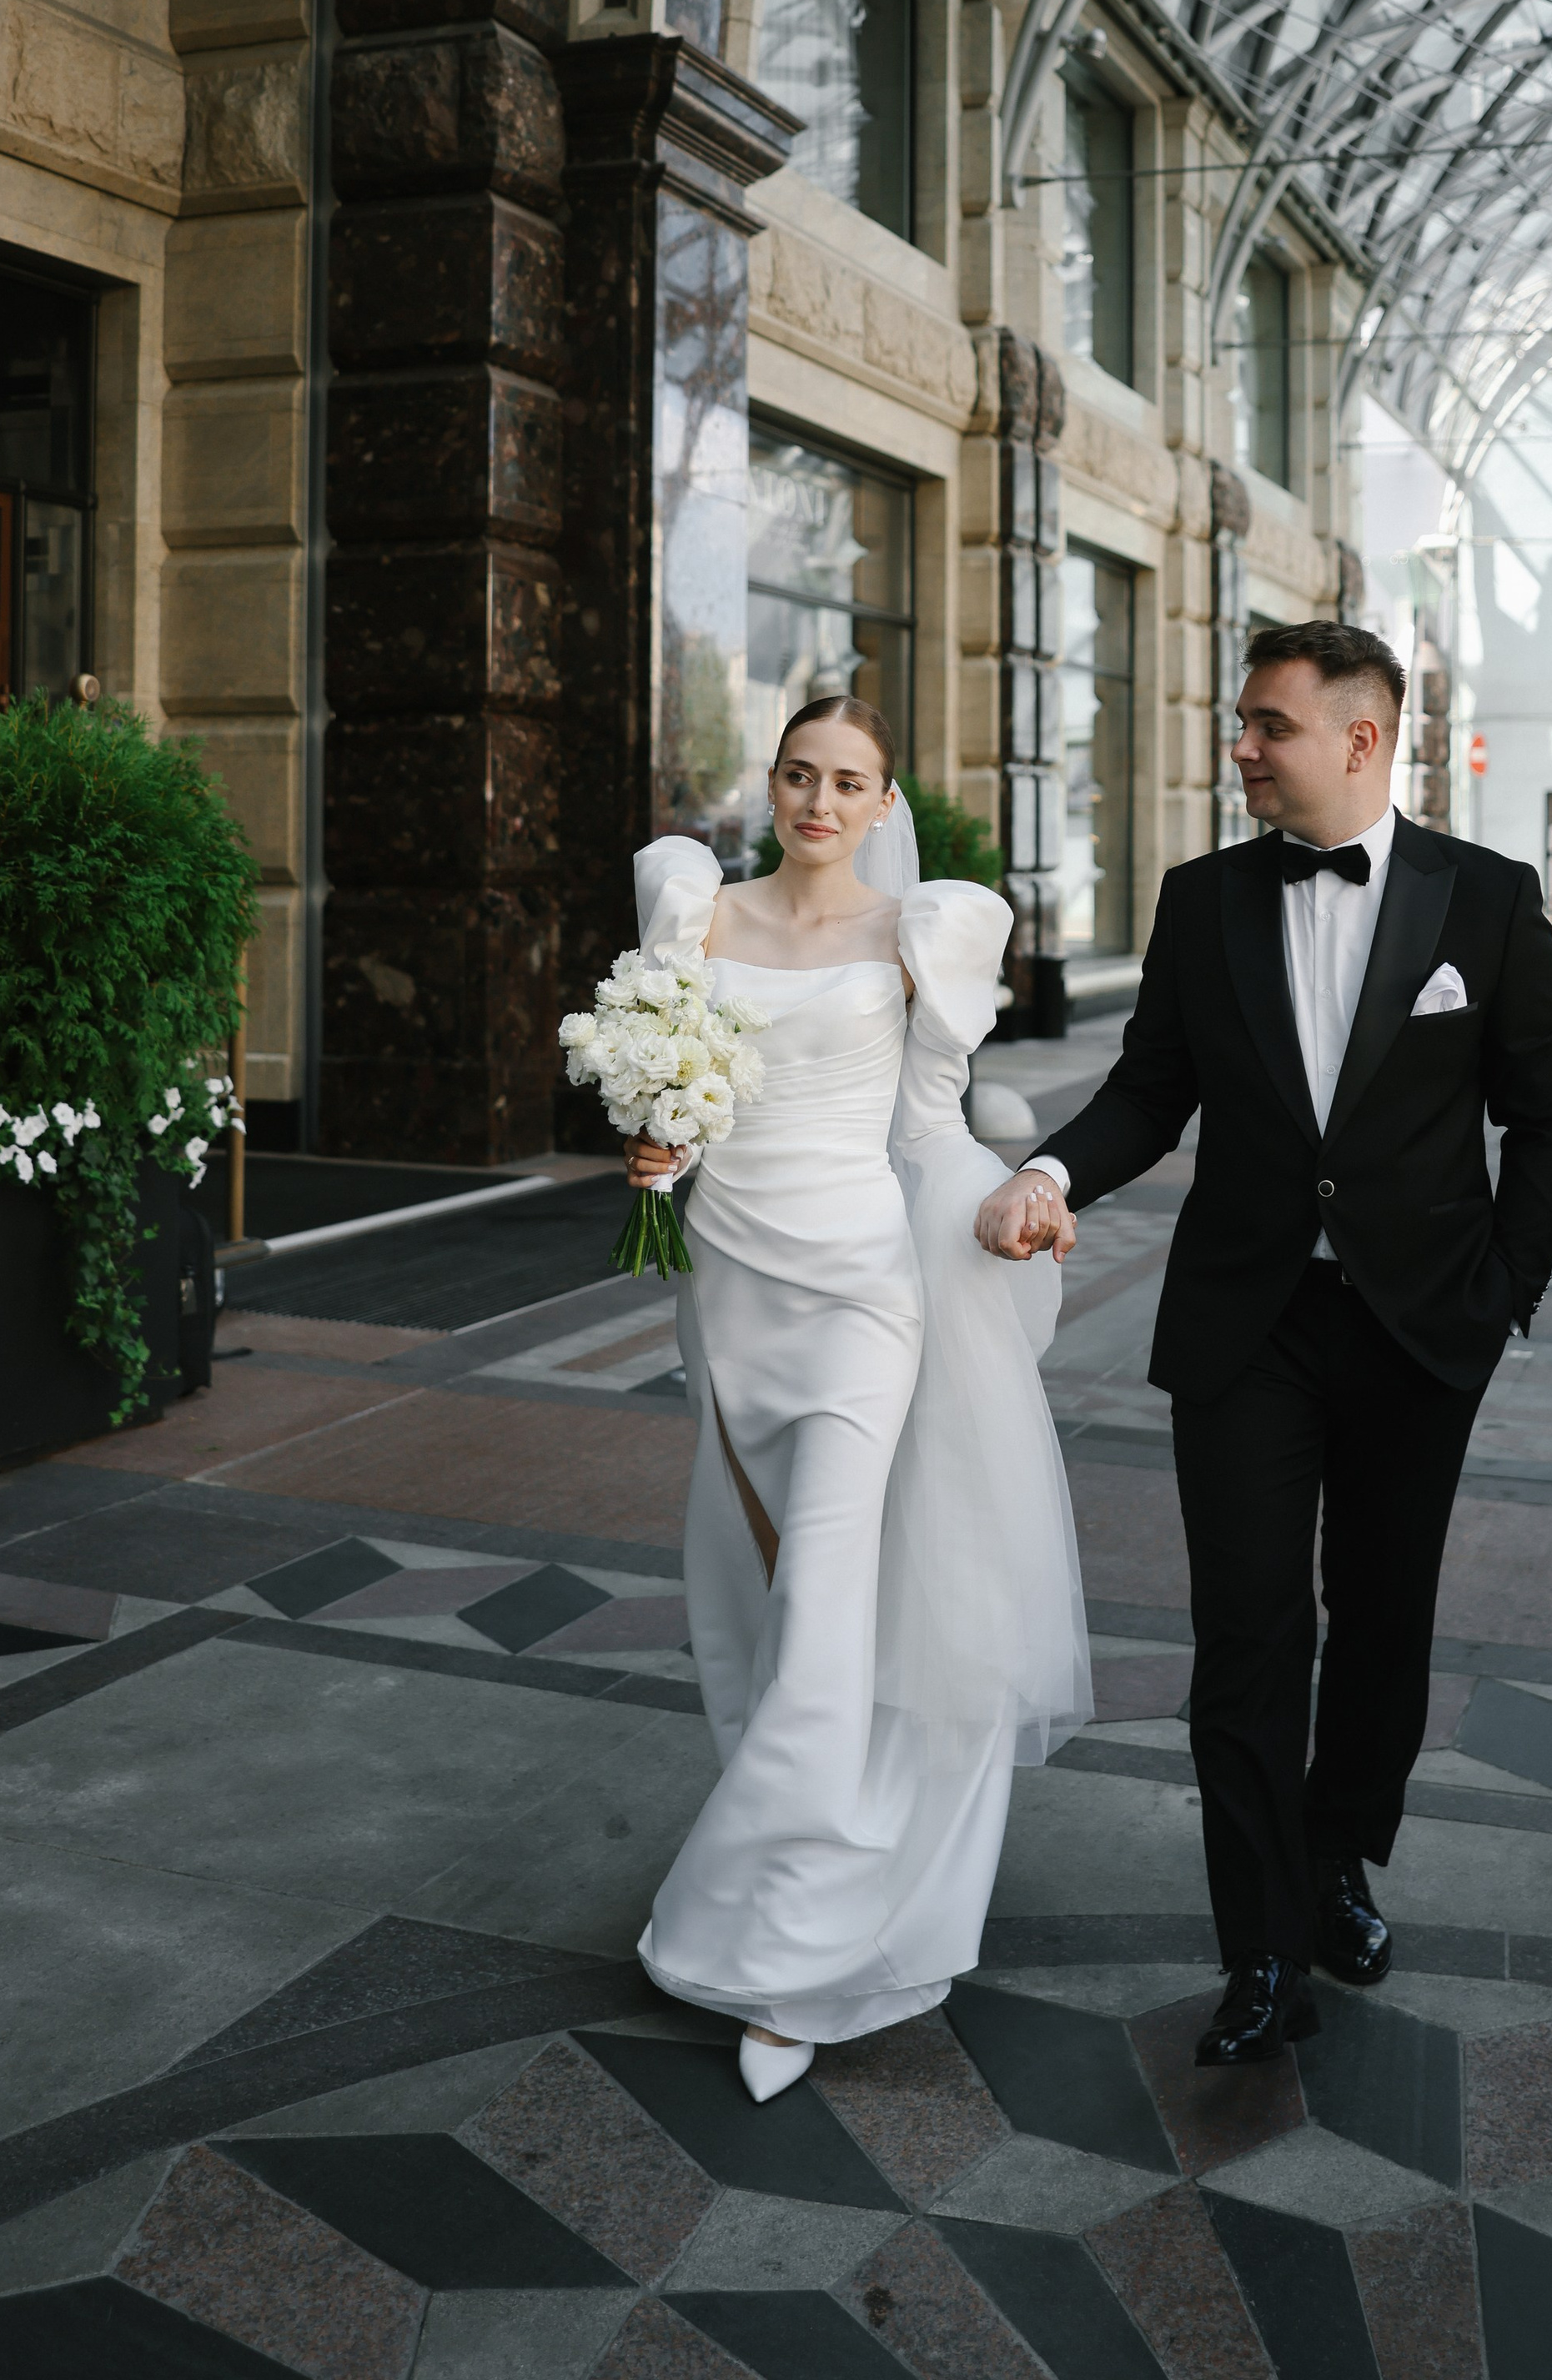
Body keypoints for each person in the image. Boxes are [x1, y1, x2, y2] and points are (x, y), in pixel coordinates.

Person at [977, 621, 1552, 2067]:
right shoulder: (1203, 899)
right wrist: (1049, 1175)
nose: (1238, 746)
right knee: (1247, 1636)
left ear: (1360, 740)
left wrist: (1502, 1294)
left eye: (1265, 725)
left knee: (1382, 1624)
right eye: (1241, 724)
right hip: (1247, 1325)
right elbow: (1150, 1089)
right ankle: (1257, 1945)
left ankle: (1335, 1862)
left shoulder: (1487, 900)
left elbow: (1545, 1118)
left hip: (1420, 1327)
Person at [625, 696, 1091, 2101]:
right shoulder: (693, 910)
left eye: (849, 781)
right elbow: (685, 1102)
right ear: (769, 783)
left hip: (864, 1299)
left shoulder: (920, 935)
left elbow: (925, 1126)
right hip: (730, 1289)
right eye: (799, 773)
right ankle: (810, 1859)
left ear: (885, 801)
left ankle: (794, 1953)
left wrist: (1017, 1204)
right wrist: (654, 1146)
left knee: (828, 1604)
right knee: (751, 1593)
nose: (819, 800)